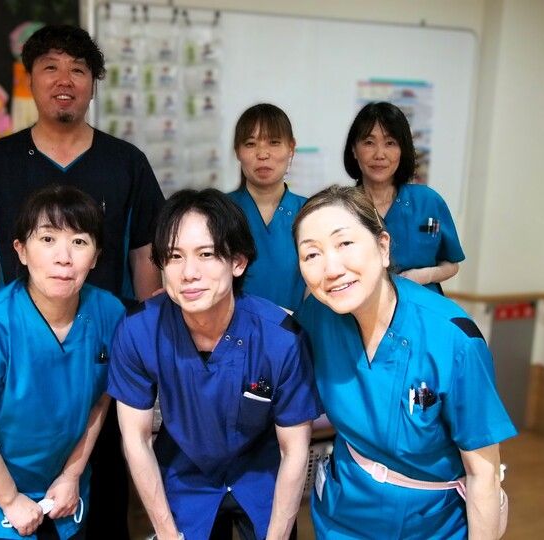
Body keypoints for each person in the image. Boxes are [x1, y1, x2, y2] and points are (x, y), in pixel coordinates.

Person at [0, 25, 164, 538]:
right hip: (18, 357)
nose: (64, 80)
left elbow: (145, 253)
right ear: (31, 79)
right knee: (12, 488)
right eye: (50, 67)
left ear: (93, 83)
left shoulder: (126, 163)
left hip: (104, 355)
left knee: (103, 492)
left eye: (78, 69)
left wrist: (150, 343)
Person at [293, 185, 517, 539]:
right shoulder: (318, 318)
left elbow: (483, 475)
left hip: (429, 524)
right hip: (342, 513)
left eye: (345, 243)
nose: (331, 268)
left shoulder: (454, 341)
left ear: (383, 247)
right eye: (311, 254)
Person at [107, 189, 323, 540]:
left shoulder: (280, 338)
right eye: (174, 256)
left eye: (206, 254)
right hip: (185, 473)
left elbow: (294, 450)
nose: (188, 273)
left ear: (238, 262)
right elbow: (136, 439)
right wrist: (166, 532)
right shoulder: (139, 330)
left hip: (262, 473)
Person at [0, 185, 125, 539]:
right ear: (21, 250)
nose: (64, 257)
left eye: (79, 242)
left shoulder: (109, 312)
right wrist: (11, 500)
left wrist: (72, 474)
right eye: (47, 239)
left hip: (59, 487)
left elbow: (101, 399)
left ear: (95, 257)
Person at [344, 101, 464, 294]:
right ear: (354, 150)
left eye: (390, 143)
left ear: (402, 150)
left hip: (422, 305)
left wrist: (425, 275)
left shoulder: (428, 203)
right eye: (369, 143)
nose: (379, 154)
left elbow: (452, 264)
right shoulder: (342, 209)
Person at [228, 104, 306, 313]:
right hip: (230, 329)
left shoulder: (312, 213)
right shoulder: (218, 212)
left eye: (274, 142)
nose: (262, 154)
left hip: (297, 330)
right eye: (250, 144)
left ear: (291, 148)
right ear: (238, 151)